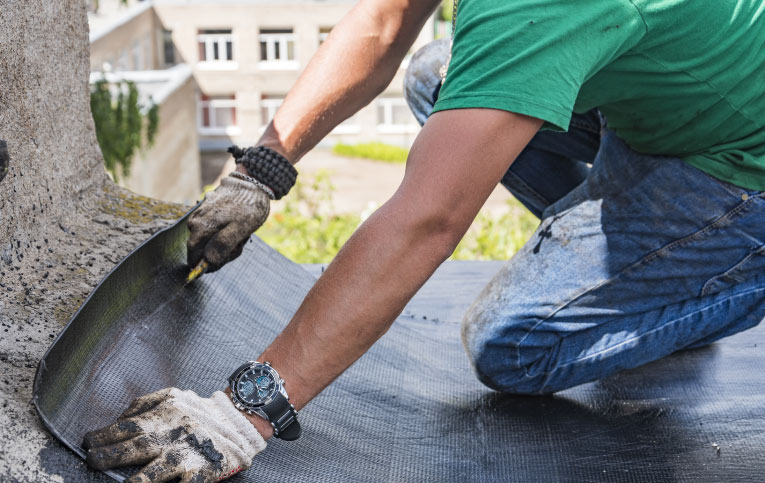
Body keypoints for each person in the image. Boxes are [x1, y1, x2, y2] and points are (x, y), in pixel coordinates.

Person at [82, 0, 765, 481]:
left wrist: (245, 411)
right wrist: (261, 170)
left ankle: (706, 263)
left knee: (514, 344)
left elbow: (428, 220)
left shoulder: (540, 8)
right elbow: (381, 23)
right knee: (439, 77)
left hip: (738, 165)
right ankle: (644, 265)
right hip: (678, 96)